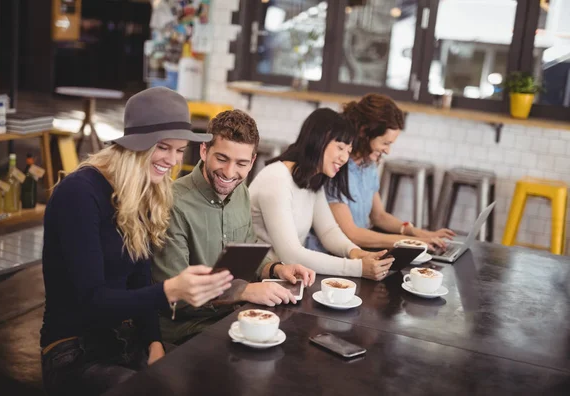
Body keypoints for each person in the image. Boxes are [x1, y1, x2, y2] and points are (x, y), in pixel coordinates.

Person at [40, 87, 233, 396]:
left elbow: (139, 281)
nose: (172, 161)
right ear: (137, 145)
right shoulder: (79, 193)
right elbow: (91, 300)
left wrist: (153, 343)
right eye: (163, 147)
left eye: (179, 150)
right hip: (73, 354)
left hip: (123, 343)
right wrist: (170, 291)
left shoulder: (145, 192)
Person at [153, 109, 316, 345]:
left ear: (252, 162)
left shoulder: (240, 192)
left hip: (232, 317)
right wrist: (242, 291)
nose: (229, 173)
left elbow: (246, 257)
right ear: (204, 150)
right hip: (186, 332)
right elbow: (175, 295)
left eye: (241, 163)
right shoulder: (172, 204)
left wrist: (276, 269)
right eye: (221, 158)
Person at [248, 108, 394, 280]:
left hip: (287, 277)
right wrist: (358, 268)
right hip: (256, 278)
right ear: (318, 140)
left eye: (348, 150)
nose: (344, 158)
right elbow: (292, 255)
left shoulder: (313, 179)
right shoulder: (277, 180)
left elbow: (328, 231)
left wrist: (356, 253)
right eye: (340, 147)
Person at [306, 94, 454, 253]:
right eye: (385, 143)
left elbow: (379, 216)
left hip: (357, 252)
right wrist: (413, 242)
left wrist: (419, 233)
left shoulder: (367, 165)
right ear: (364, 132)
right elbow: (352, 234)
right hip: (329, 256)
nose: (388, 151)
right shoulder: (336, 168)